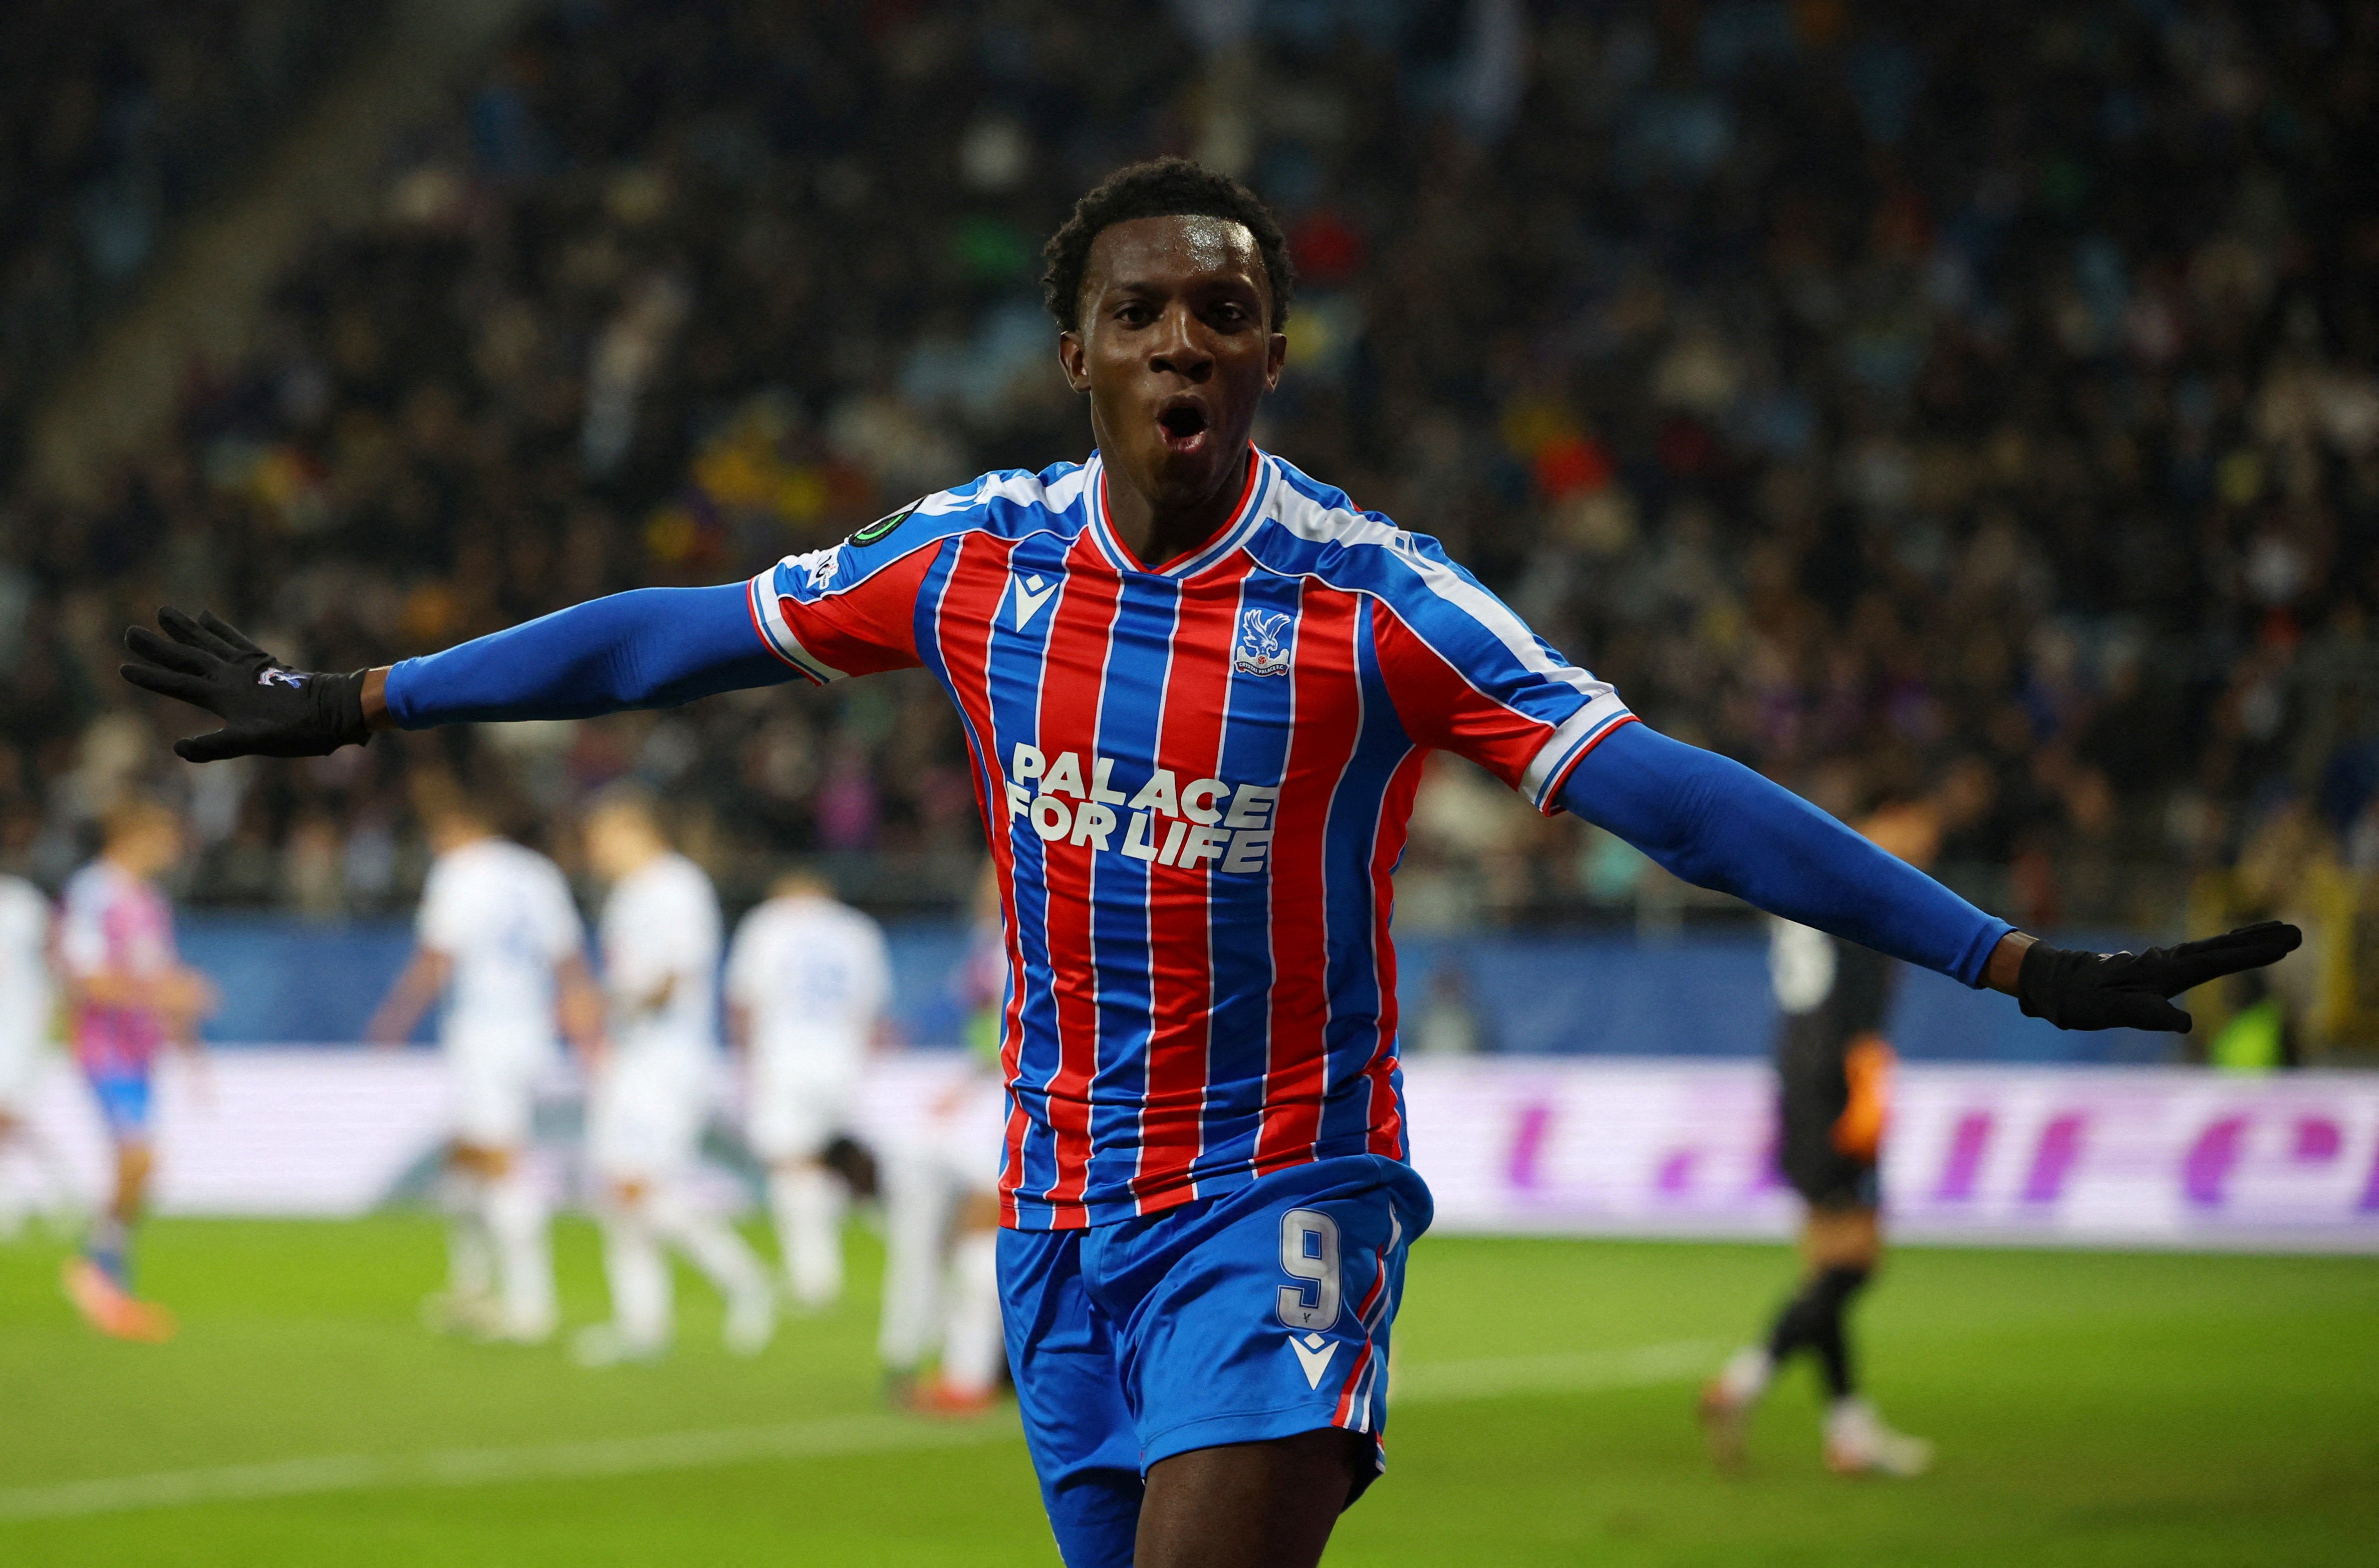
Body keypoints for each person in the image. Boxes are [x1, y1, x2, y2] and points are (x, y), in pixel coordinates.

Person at [123, 158, 2299, 1568]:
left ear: (1270, 351)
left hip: (1283, 1199)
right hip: (1059, 1226)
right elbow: (674, 637)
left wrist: (1999, 952)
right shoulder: (966, 560)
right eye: (1146, 310)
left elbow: (1670, 786)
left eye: (1226, 312)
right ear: (1077, 349)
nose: (1187, 341)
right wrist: (368, 695)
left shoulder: (1382, 601)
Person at [1699, 778, 1982, 1477]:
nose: (1924, 852)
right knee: (1855, 1260)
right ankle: (1747, 1378)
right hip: (1836, 1077)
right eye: (1917, 831)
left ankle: (1845, 1426)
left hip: (1798, 1069)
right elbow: (1857, 994)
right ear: (1885, 817)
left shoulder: (1808, 875)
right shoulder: (1859, 878)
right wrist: (1867, 1080)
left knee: (1828, 1263)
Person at [366, 785, 599, 1343]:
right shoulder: (539, 873)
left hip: (484, 1032)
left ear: (456, 830)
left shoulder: (461, 871)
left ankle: (530, 1305)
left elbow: (438, 955)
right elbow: (567, 959)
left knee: (498, 1161)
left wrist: (394, 1020)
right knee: (466, 1157)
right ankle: (471, 1284)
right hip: (530, 1033)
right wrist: (582, 1023)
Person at [573, 786, 776, 1365]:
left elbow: (671, 978)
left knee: (640, 1186)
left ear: (634, 829)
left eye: (602, 839)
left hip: (666, 1061)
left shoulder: (676, 886)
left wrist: (605, 1003)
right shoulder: (631, 893)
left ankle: (745, 1278)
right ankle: (642, 1327)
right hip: (632, 1057)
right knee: (618, 1193)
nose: (596, 852)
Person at [56, 795, 216, 1342]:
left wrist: (188, 1040)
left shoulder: (148, 901)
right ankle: (96, 1271)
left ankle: (105, 1275)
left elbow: (159, 979)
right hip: (105, 1049)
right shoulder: (94, 892)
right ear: (135, 836)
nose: (174, 850)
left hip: (141, 1051)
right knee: (137, 1157)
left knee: (142, 1167)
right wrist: (167, 991)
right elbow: (88, 979)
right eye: (166, 838)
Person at [725, 864, 891, 1310]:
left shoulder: (768, 925)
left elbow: (744, 1001)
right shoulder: (858, 931)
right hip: (841, 1058)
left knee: (789, 1164)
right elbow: (871, 1008)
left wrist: (745, 1058)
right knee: (832, 1162)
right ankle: (880, 1250)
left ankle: (812, 1276)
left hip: (785, 1056)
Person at [877, 862, 1010, 1415]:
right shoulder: (992, 941)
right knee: (978, 1234)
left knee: (985, 1232)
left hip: (1026, 1103)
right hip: (1001, 1094)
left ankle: (970, 1376)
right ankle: (981, 1367)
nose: (984, 887)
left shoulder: (1024, 937)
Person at [0, 860, 60, 1238]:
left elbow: (53, 953)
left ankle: (23, 1188)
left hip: (19, 1019)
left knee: (10, 1109)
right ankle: (44, 1184)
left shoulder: (22, 901)